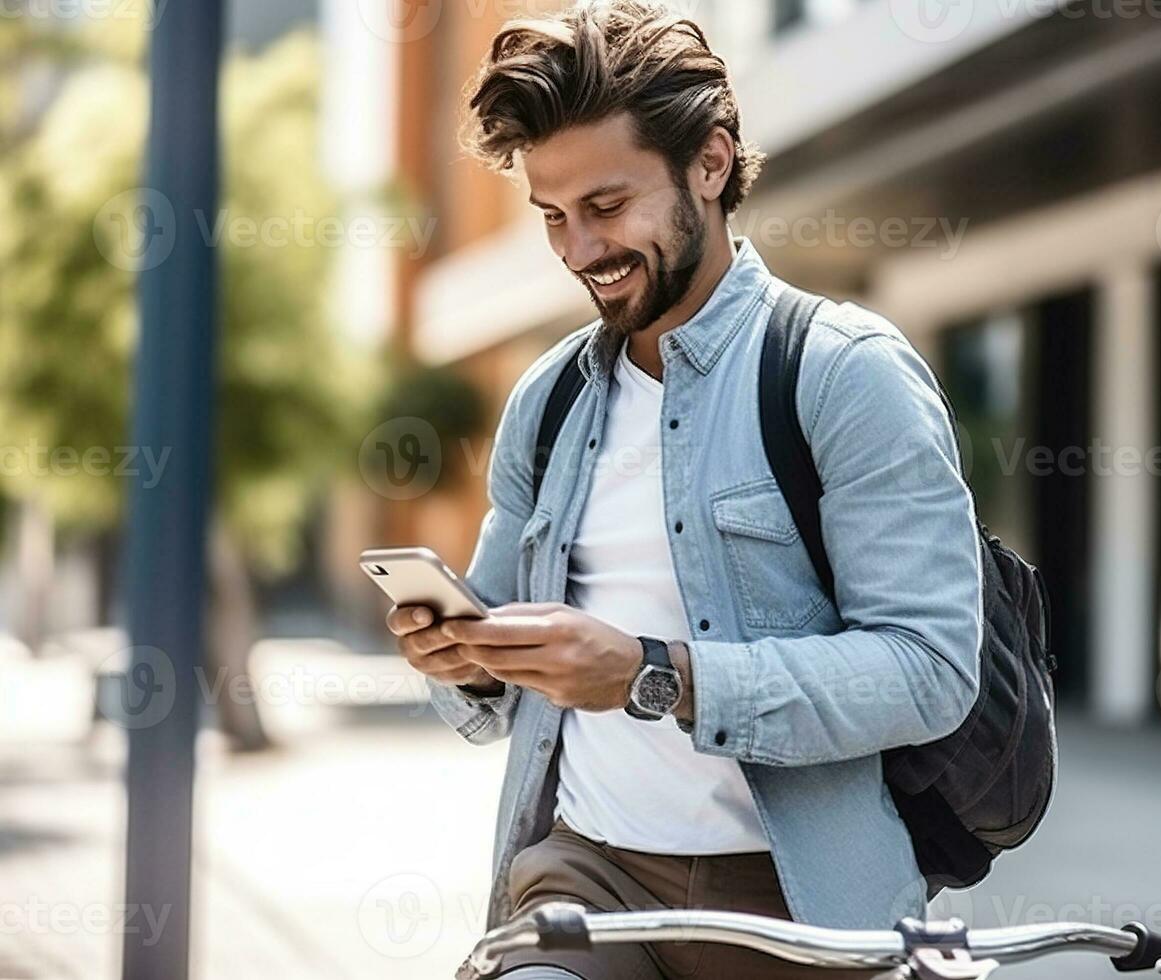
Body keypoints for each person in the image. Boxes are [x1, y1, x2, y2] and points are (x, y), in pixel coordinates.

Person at [387, 2, 982, 976]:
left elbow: (927, 671)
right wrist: (461, 649)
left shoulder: (842, 373)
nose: (580, 251)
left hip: (795, 907)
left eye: (608, 207)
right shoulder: (550, 398)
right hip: (584, 878)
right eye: (554, 218)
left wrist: (650, 673)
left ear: (710, 163)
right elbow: (493, 685)